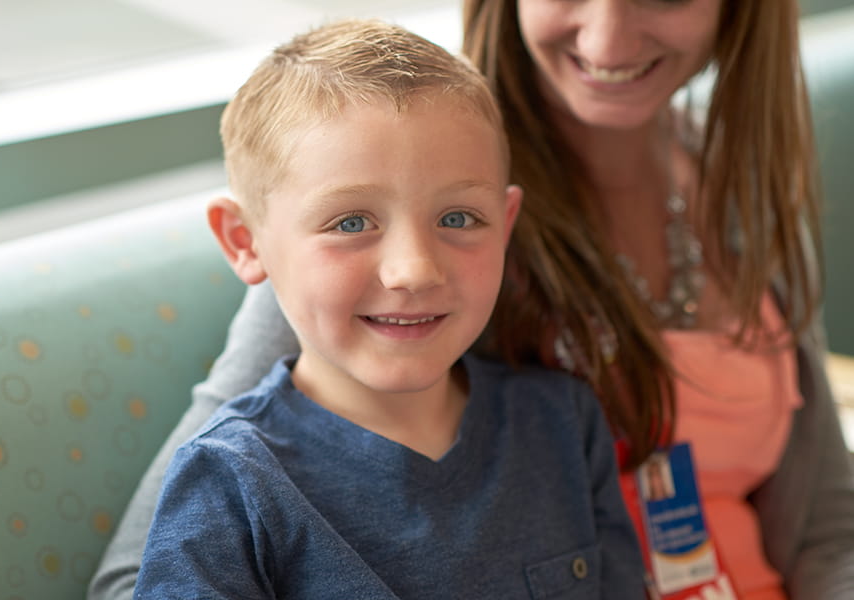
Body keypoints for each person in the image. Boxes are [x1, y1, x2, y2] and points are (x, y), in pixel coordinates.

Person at [90, 1, 854, 599]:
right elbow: (143, 573)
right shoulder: (386, 182)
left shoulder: (739, 186)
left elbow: (825, 526)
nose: (611, 36)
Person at [130, 18, 645, 599]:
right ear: (245, 242)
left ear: (505, 226)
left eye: (457, 218)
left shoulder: (564, 424)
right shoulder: (230, 482)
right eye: (351, 223)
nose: (415, 270)